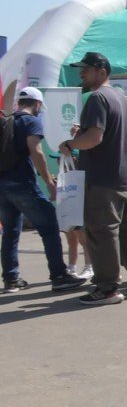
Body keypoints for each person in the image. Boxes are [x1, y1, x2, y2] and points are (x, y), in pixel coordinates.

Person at [56, 52, 127, 306]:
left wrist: (69, 142)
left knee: (102, 232)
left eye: (85, 69)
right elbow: (105, 134)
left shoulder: (98, 98)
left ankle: (107, 287)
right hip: (125, 177)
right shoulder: (120, 98)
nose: (81, 74)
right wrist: (83, 134)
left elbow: (95, 139)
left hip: (102, 178)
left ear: (101, 70)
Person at [0, 87, 87, 293]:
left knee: (11, 231)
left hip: (2, 185)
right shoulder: (31, 121)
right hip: (23, 184)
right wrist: (48, 180)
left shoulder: (7, 121)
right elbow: (36, 151)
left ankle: (11, 279)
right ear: (37, 104)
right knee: (49, 225)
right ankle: (59, 275)